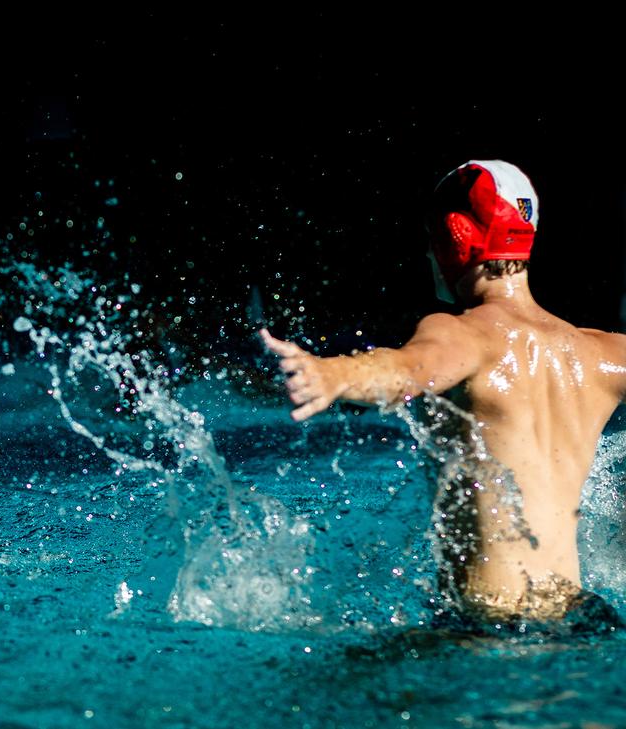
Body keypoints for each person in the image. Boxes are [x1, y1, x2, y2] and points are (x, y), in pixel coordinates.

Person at [261, 160, 626, 632]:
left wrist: (333, 374)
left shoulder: (463, 335)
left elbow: (410, 368)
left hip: (488, 626)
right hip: (577, 619)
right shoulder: (600, 354)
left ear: (456, 236)